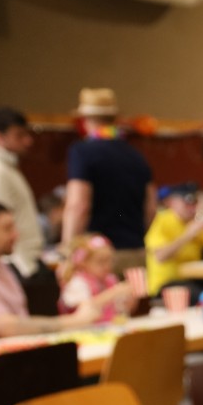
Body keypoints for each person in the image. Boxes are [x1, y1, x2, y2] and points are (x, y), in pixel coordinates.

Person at [0, 202, 129, 337]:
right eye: (6, 228)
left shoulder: (3, 268)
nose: (16, 234)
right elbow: (6, 326)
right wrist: (76, 320)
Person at [62, 88, 157, 271]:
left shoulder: (82, 152)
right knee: (133, 292)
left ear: (85, 120)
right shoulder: (136, 156)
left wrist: (68, 250)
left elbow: (78, 205)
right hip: (136, 254)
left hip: (97, 258)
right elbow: (151, 209)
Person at [145, 183, 203, 296]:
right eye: (186, 202)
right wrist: (188, 235)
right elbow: (160, 256)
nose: (191, 207)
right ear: (171, 202)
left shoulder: (195, 223)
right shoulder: (162, 220)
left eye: (194, 202)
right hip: (165, 284)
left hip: (192, 280)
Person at [0, 107, 44, 278]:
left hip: (25, 261)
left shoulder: (7, 166)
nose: (28, 141)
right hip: (15, 263)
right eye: (19, 135)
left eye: (26, 134)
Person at [58, 234, 124, 321]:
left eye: (110, 260)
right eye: (101, 261)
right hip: (81, 328)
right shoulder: (78, 282)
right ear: (83, 263)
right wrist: (114, 293)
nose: (107, 266)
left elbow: (121, 309)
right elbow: (85, 308)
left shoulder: (110, 280)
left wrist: (130, 299)